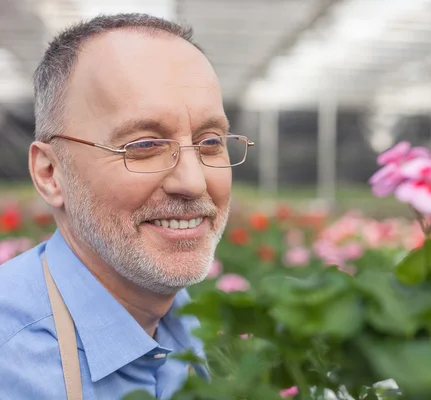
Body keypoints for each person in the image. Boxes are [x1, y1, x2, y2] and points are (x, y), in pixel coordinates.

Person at [0, 13, 254, 399]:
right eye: (143, 145)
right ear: (51, 173)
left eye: (210, 142)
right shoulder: (12, 360)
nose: (192, 181)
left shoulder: (208, 336)